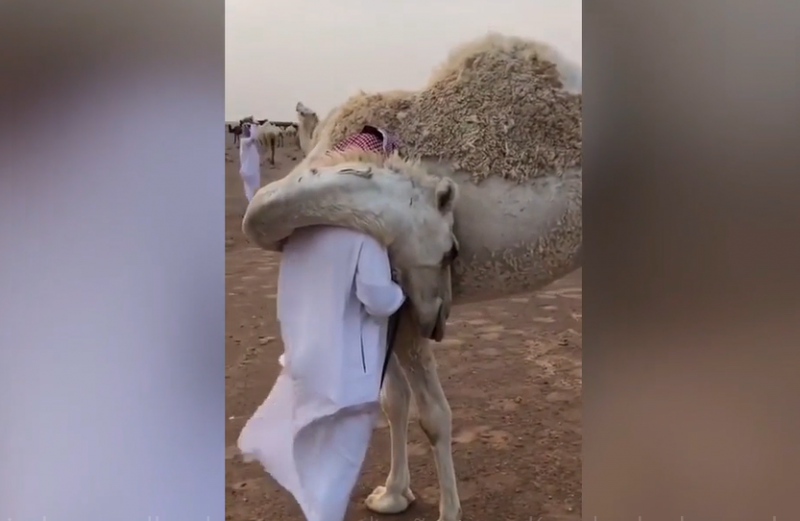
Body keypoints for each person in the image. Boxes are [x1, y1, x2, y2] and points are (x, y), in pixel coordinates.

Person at [238, 225, 405, 521]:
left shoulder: (297, 236)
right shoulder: (364, 238)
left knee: (316, 452)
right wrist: (399, 293)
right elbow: (379, 301)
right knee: (338, 469)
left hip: (304, 360)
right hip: (349, 374)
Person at [238, 122, 261, 202]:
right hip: (249, 171)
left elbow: (254, 139)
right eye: (247, 129)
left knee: (251, 191)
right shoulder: (244, 142)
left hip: (252, 171)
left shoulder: (250, 143)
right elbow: (253, 138)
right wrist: (254, 126)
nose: (248, 130)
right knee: (251, 191)